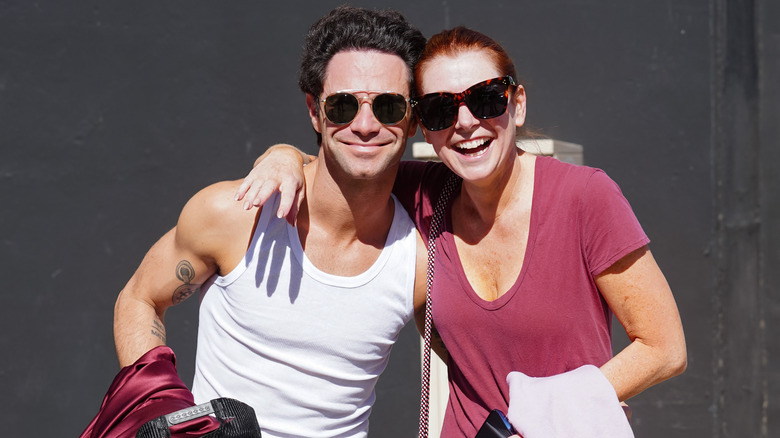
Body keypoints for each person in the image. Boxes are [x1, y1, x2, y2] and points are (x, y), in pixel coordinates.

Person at [238, 26, 687, 438]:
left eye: (486, 99)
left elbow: (664, 348)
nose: (467, 122)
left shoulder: (584, 197)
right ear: (423, 128)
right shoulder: (422, 193)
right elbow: (344, 160)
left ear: (518, 103)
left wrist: (546, 411)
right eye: (440, 109)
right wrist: (282, 157)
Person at [111, 6, 428, 437]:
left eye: (389, 106)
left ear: (412, 118)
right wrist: (164, 412)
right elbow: (139, 298)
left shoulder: (419, 259)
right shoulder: (237, 213)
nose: (366, 124)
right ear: (315, 112)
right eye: (342, 105)